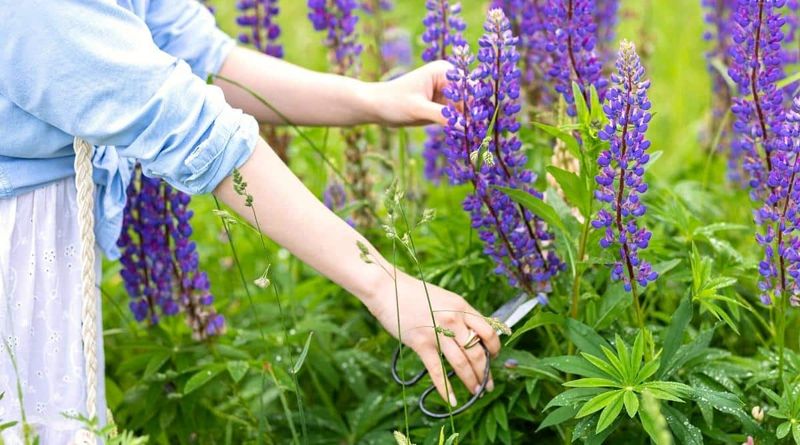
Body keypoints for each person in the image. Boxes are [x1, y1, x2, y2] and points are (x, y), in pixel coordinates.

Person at [0, 0, 502, 442]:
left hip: (53, 229)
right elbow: (188, 126)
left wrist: (375, 99)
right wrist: (385, 284)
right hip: (16, 245)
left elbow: (200, 56)